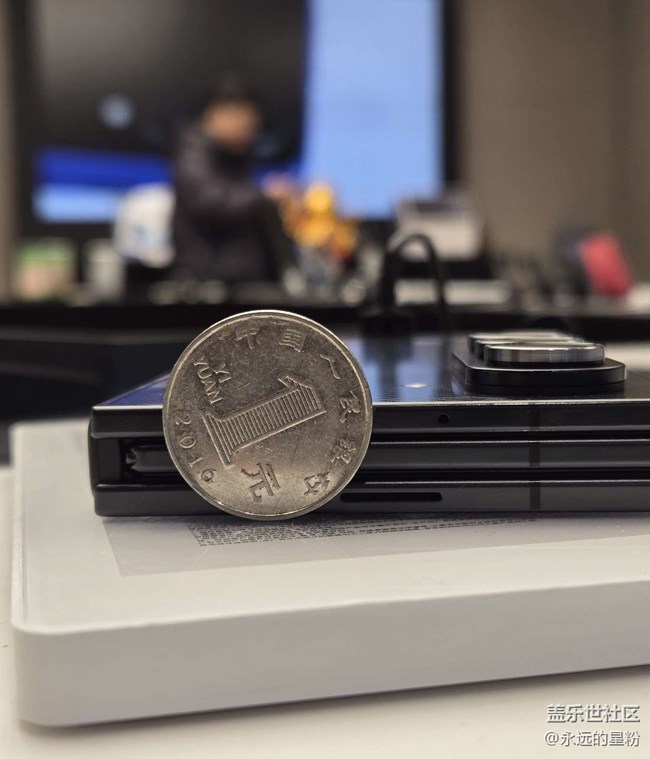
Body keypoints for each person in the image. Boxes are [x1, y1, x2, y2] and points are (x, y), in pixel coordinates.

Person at [171, 79, 291, 282]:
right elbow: (207, 200)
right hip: (208, 276)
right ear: (220, 113)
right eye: (246, 126)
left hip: (239, 275)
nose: (250, 135)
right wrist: (264, 195)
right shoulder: (192, 149)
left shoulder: (235, 153)